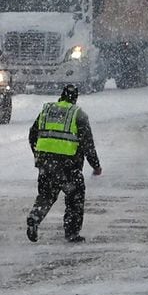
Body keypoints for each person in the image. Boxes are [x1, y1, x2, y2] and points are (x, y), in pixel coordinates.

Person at [26, 84, 102, 243]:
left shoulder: (46, 111)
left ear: (61, 96)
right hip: (68, 165)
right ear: (75, 98)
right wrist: (95, 165)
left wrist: (39, 156)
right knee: (75, 196)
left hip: (46, 163)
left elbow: (32, 134)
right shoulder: (78, 114)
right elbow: (88, 144)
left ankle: (35, 217)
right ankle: (72, 232)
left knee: (46, 194)